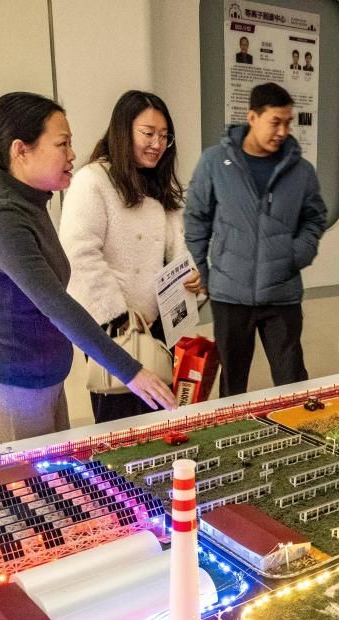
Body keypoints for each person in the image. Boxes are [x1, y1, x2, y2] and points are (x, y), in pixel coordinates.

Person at [0, 92, 175, 443]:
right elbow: (55, 304)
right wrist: (131, 371)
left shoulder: (30, 203)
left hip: (45, 376)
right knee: (25, 481)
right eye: (62, 144)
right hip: (12, 386)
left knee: (59, 474)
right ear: (21, 150)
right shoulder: (0, 215)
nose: (72, 154)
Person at [61, 90, 201, 424]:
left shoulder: (158, 185)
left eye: (164, 136)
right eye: (148, 133)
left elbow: (177, 252)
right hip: (115, 330)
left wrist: (194, 278)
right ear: (124, 132)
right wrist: (120, 317)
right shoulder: (94, 180)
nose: (157, 144)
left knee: (163, 422)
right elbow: (79, 256)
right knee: (121, 426)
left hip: (161, 326)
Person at [185, 82, 327, 398]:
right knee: (232, 385)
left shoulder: (301, 170)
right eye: (275, 122)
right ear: (252, 117)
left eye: (288, 123)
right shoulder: (214, 162)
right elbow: (196, 218)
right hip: (230, 294)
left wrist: (296, 255)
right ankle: (232, 429)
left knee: (293, 382)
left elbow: (315, 218)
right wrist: (204, 273)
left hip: (282, 293)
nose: (283, 131)